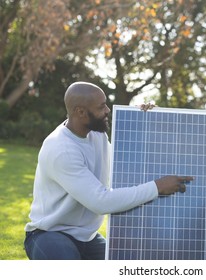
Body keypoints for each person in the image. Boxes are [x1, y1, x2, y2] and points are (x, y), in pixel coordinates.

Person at [24, 81, 194, 260]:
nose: (107, 110)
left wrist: (143, 120)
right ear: (80, 112)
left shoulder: (97, 134)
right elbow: (101, 201)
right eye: (101, 106)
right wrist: (157, 187)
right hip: (50, 234)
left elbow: (125, 166)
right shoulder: (61, 149)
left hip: (87, 238)